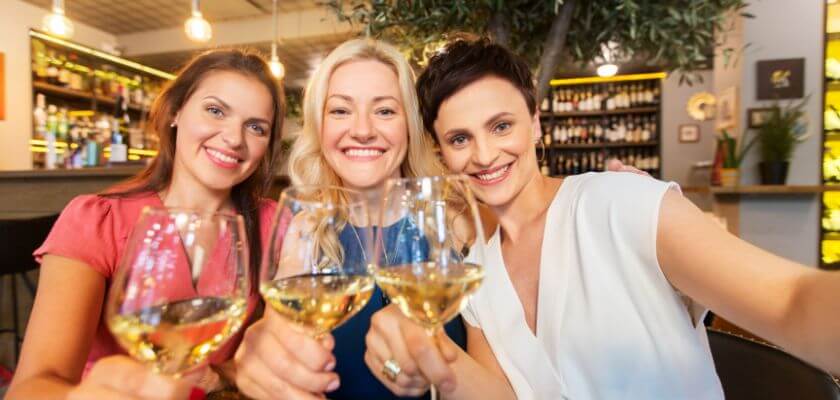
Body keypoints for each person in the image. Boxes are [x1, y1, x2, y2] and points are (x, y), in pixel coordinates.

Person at [365, 38, 840, 399]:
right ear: (443, 154)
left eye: (501, 126)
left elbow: (790, 299)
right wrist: (429, 351)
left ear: (535, 123)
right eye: (460, 139)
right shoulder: (476, 273)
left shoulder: (622, 202)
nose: (485, 154)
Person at [7, 49, 285, 400]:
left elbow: (276, 356)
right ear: (175, 112)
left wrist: (219, 377)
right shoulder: (97, 220)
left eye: (256, 127)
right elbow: (30, 388)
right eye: (215, 111)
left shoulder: (273, 222)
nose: (234, 138)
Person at [232, 38, 467, 400]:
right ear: (319, 126)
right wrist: (262, 356)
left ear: (410, 124)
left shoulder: (455, 223)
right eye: (340, 111)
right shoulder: (304, 227)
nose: (362, 130)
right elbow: (279, 334)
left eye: (385, 111)